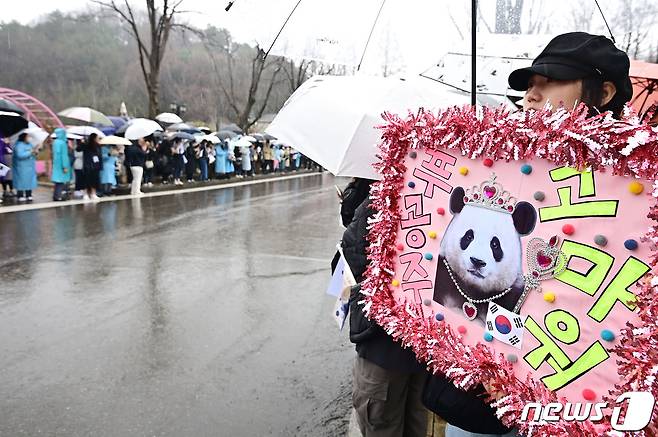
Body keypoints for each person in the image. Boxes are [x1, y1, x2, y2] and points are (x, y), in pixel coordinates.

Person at [421, 32, 635, 437]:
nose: (530, 97)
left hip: (577, 405)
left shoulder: (638, 191)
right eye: (528, 86)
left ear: (603, 92)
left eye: (548, 81)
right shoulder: (502, 164)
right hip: (482, 404)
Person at [12, 133, 38, 202]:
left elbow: (33, 153)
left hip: (30, 167)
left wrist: (35, 152)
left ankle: (29, 194)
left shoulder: (30, 145)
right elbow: (20, 155)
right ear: (23, 137)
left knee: (29, 181)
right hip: (21, 167)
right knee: (21, 181)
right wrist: (30, 152)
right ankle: (20, 194)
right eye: (28, 136)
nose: (29, 138)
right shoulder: (18, 145)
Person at [80, 133, 103, 200]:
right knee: (87, 180)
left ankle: (93, 193)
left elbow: (100, 156)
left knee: (94, 180)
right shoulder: (86, 145)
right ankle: (86, 193)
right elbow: (78, 149)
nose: (98, 139)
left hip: (96, 166)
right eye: (97, 138)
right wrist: (82, 143)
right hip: (87, 165)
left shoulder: (98, 146)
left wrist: (100, 166)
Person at [51, 128, 71, 201]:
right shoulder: (63, 143)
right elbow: (64, 155)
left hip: (56, 164)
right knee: (61, 181)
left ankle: (55, 195)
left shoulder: (55, 142)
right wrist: (65, 166)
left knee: (57, 181)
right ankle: (58, 196)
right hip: (61, 165)